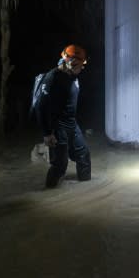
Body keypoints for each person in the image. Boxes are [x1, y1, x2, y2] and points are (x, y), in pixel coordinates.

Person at [34, 44, 91, 188]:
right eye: (80, 64)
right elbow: (40, 106)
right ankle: (49, 196)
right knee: (60, 165)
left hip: (72, 124)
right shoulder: (52, 78)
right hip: (58, 126)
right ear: (70, 61)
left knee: (84, 156)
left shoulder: (73, 75)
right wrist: (47, 134)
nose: (82, 67)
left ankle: (88, 193)